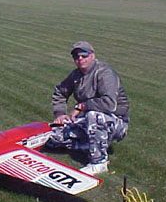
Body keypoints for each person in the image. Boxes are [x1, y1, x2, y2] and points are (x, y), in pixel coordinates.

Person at [49, 41, 130, 175]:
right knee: (54, 136)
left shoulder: (105, 73)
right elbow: (60, 92)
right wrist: (60, 113)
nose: (80, 59)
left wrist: (82, 106)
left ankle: (99, 162)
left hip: (116, 121)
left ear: (92, 55)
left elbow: (109, 104)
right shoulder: (76, 75)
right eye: (76, 56)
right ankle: (87, 145)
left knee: (94, 115)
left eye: (83, 55)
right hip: (88, 119)